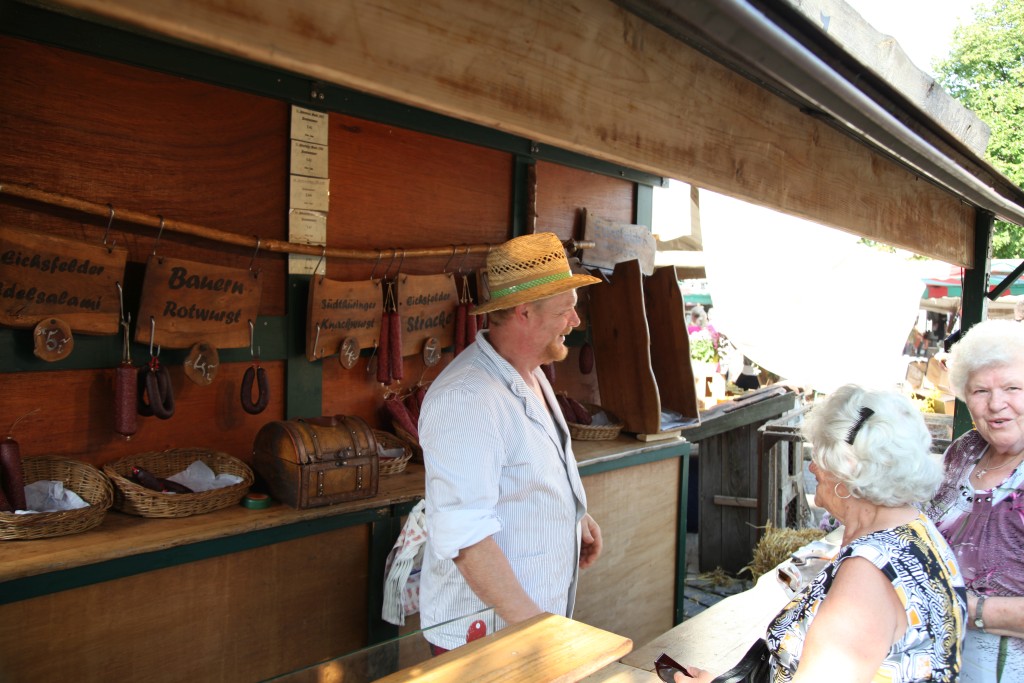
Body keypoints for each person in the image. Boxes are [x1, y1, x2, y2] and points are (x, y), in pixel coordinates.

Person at [678, 385, 966, 682]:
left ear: (846, 474)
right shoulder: (918, 531)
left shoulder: (867, 576)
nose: (813, 467)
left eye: (819, 454)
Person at [417, 231, 604, 653]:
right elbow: (465, 536)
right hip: (487, 639)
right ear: (524, 312)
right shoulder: (467, 397)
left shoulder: (531, 374)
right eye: (566, 310)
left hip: (522, 627)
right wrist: (536, 630)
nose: (575, 322)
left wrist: (572, 518)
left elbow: (523, 479)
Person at [925, 319, 1024, 682]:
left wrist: (964, 607)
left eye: (1012, 388)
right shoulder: (964, 451)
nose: (996, 404)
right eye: (981, 391)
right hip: (937, 663)